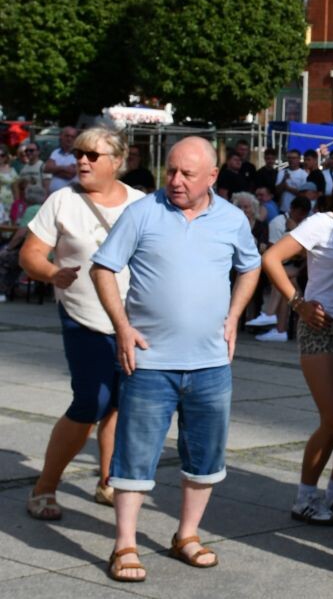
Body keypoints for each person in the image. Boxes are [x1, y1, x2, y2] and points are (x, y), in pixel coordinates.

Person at [89, 137, 260, 583]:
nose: (176, 180)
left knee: (204, 457)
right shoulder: (144, 212)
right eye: (171, 171)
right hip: (150, 363)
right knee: (134, 458)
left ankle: (186, 534)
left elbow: (252, 266)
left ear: (212, 177)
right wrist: (123, 327)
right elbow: (103, 268)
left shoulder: (231, 219)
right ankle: (124, 543)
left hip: (210, 365)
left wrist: (235, 315)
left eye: (187, 173)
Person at [20, 128, 146, 520]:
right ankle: (45, 487)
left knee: (122, 404)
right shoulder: (62, 201)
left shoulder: (142, 204)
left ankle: (108, 481)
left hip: (133, 323)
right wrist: (52, 272)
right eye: (79, 154)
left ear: (117, 161)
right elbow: (30, 255)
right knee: (91, 401)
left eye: (93, 155)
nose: (83, 161)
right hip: (83, 318)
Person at [262, 156, 333, 526]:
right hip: (320, 324)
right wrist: (298, 303)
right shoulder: (323, 224)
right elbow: (272, 258)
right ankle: (305, 497)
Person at [251, 196, 314, 340]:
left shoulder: (308, 224)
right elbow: (273, 252)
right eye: (299, 213)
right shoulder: (278, 222)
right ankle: (280, 330)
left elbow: (309, 253)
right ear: (291, 209)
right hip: (283, 266)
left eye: (304, 214)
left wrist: (295, 230)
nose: (301, 217)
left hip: (303, 269)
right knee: (283, 281)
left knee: (280, 280)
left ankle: (271, 316)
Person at [45, 126, 79, 194]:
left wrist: (54, 170)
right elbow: (47, 168)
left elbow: (70, 174)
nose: (69, 139)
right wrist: (64, 168)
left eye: (72, 137)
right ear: (61, 136)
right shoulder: (55, 152)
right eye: (67, 136)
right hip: (53, 195)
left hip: (69, 197)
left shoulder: (78, 154)